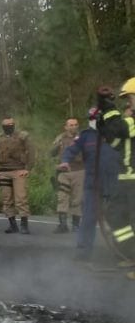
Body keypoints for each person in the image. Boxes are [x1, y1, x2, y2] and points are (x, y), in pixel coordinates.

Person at [59, 107, 119, 261]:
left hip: (114, 182)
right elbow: (70, 150)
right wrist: (65, 161)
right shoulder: (85, 136)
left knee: (119, 218)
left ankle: (123, 253)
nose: (94, 122)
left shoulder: (113, 134)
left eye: (97, 119)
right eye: (92, 119)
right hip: (92, 183)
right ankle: (83, 251)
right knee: (88, 218)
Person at [97, 82, 135, 270]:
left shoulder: (130, 122)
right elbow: (114, 138)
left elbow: (120, 128)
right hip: (126, 180)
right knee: (114, 215)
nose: (128, 104)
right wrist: (102, 118)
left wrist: (109, 108)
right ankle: (131, 254)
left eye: (130, 98)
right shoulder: (129, 121)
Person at [0, 117, 36, 234]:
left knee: (21, 199)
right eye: (7, 124)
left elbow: (31, 151)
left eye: (11, 124)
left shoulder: (22, 136)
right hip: (3, 172)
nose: (9, 126)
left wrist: (28, 169)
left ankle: (24, 226)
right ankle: (12, 225)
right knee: (6, 199)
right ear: (2, 126)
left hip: (18, 171)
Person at [50, 118, 83, 233]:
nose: (74, 127)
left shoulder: (82, 137)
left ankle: (76, 225)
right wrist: (57, 146)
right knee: (62, 198)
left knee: (77, 199)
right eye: (71, 125)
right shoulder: (60, 138)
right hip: (63, 172)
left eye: (76, 125)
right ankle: (63, 224)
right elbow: (52, 153)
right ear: (66, 127)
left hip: (79, 171)